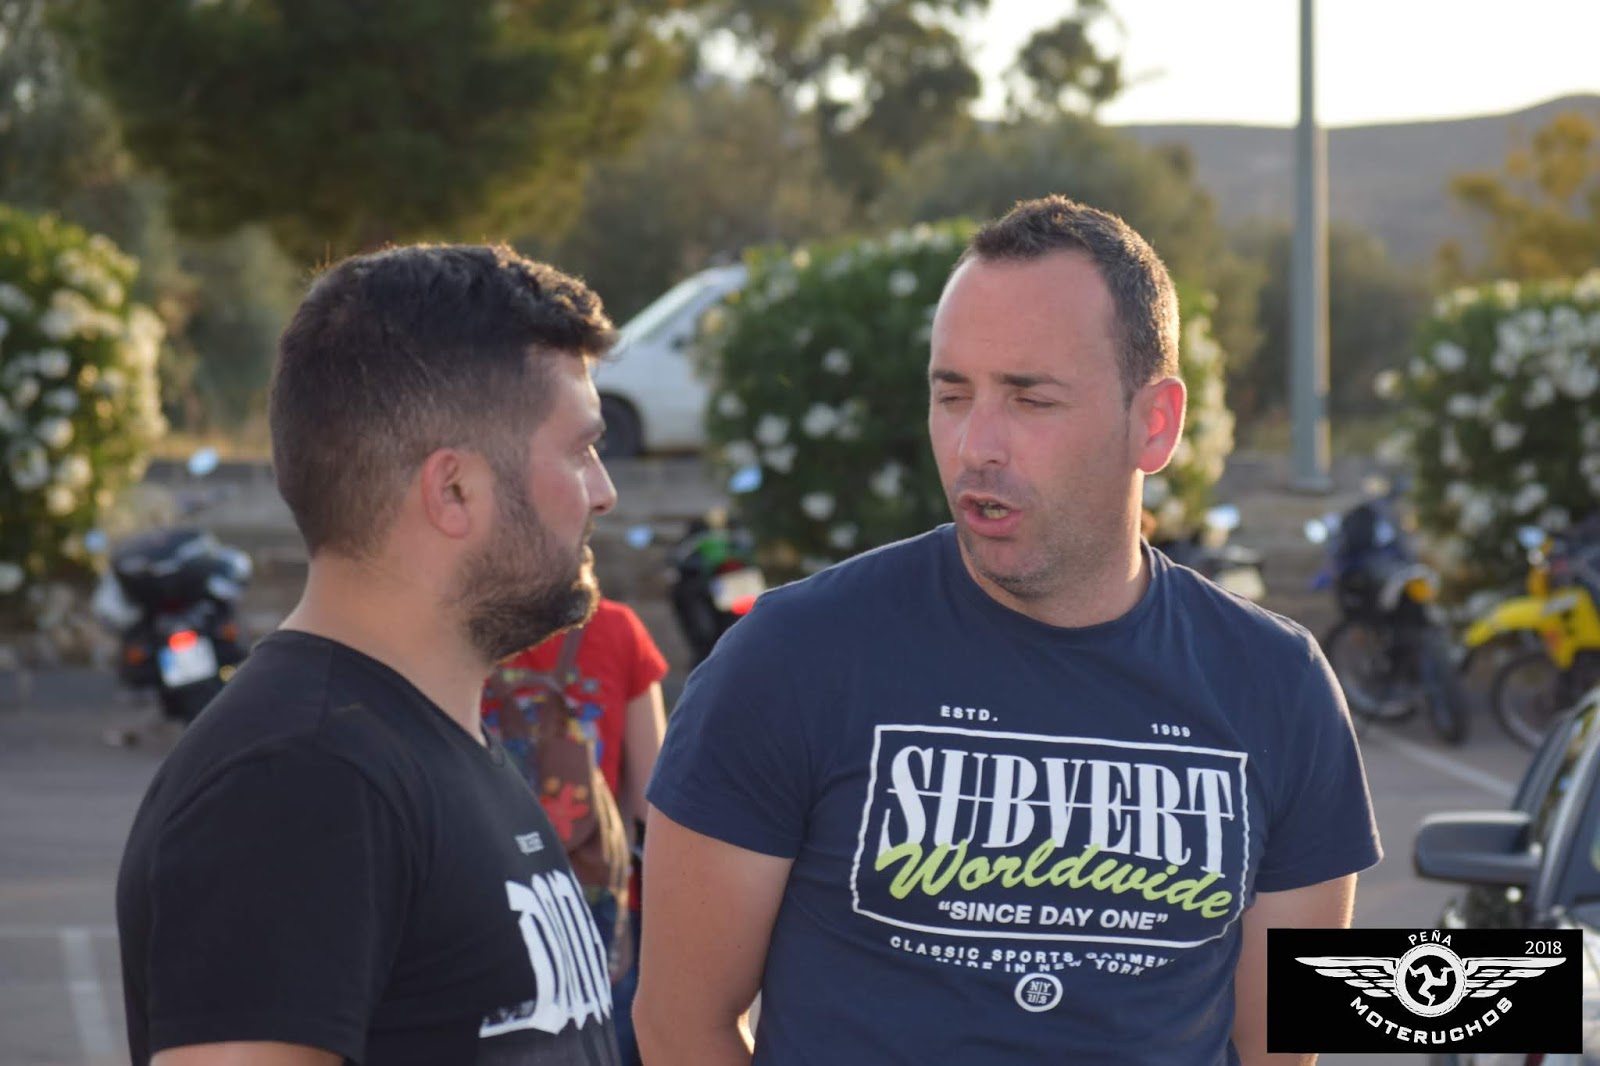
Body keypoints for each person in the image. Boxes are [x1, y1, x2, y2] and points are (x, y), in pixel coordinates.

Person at [635, 196, 1382, 1066]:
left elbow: (1279, 1048)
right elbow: (680, 1024)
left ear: (1155, 424)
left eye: (1031, 399)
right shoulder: (791, 657)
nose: (975, 445)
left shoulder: (1279, 684)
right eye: (952, 394)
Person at [115, 244, 626, 1066]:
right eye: (579, 450)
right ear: (453, 490)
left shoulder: (412, 747)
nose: (603, 491)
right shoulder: (300, 780)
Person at [482, 595, 668, 1066]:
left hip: (484, 901)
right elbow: (653, 798)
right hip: (594, 904)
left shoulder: (457, 622)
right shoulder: (618, 629)